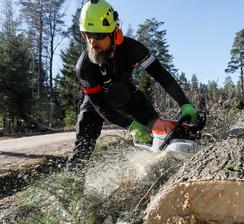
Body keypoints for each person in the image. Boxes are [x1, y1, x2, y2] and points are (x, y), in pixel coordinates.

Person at [66, 0, 198, 171]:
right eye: (87, 35)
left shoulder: (132, 48)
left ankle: (165, 168)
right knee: (83, 145)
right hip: (96, 101)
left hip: (125, 92)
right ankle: (73, 187)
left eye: (98, 35)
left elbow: (161, 74)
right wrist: (130, 125)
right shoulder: (84, 67)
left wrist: (184, 103)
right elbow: (100, 105)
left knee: (158, 127)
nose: (92, 42)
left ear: (115, 33)